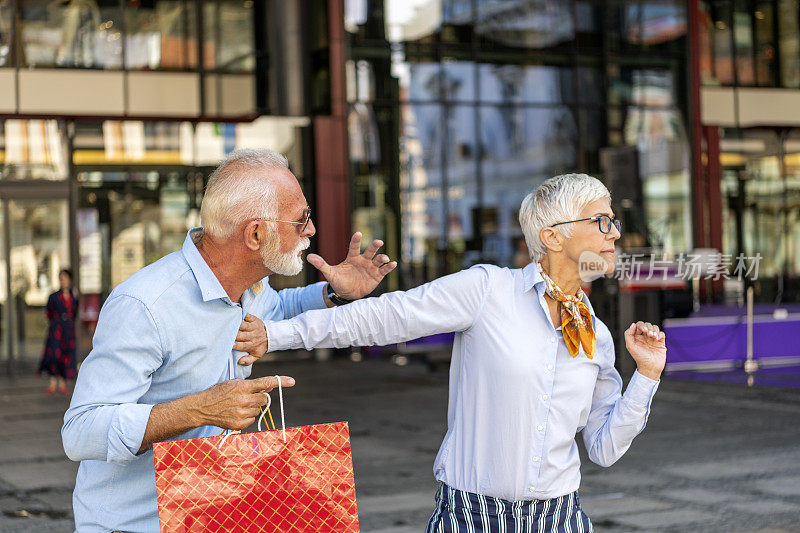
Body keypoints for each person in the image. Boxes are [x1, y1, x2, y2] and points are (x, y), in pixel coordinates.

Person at [244, 173, 666, 531]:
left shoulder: (595, 333)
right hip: (472, 516)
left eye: (614, 221)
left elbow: (605, 448)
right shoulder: (487, 290)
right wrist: (277, 335)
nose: (614, 233)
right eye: (601, 221)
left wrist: (646, 374)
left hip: (561, 518)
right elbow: (386, 317)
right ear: (553, 236)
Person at [61, 149, 397, 532]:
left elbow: (277, 307)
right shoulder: (145, 305)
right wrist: (199, 410)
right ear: (255, 234)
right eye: (301, 219)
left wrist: (334, 293)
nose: (311, 231)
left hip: (212, 515)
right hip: (135, 525)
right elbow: (81, 431)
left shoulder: (249, 287)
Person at [38, 269, 79, 395]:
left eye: (65, 278)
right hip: (56, 330)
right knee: (54, 354)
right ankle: (52, 382)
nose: (63, 281)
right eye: (61, 278)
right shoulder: (54, 296)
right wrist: (56, 322)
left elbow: (75, 313)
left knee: (66, 354)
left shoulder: (74, 296)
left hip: (68, 330)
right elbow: (48, 312)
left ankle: (62, 383)